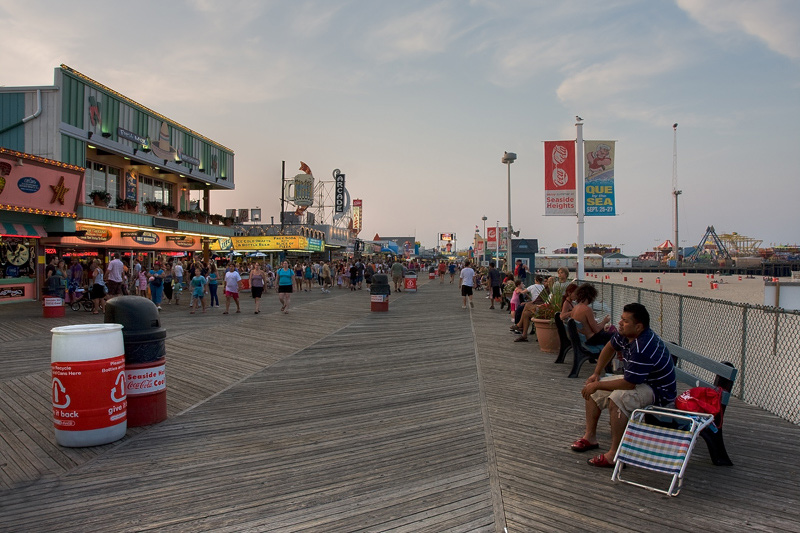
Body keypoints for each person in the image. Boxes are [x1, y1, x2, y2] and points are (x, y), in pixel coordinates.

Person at [571, 303, 677, 468]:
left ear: (638, 327)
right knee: (592, 390)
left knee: (618, 398)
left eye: (625, 321)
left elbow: (628, 384)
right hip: (639, 380)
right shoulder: (626, 334)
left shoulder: (642, 346)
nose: (620, 323)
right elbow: (609, 348)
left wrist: (597, 385)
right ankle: (590, 437)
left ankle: (615, 454)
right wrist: (596, 374)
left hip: (658, 391)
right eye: (621, 319)